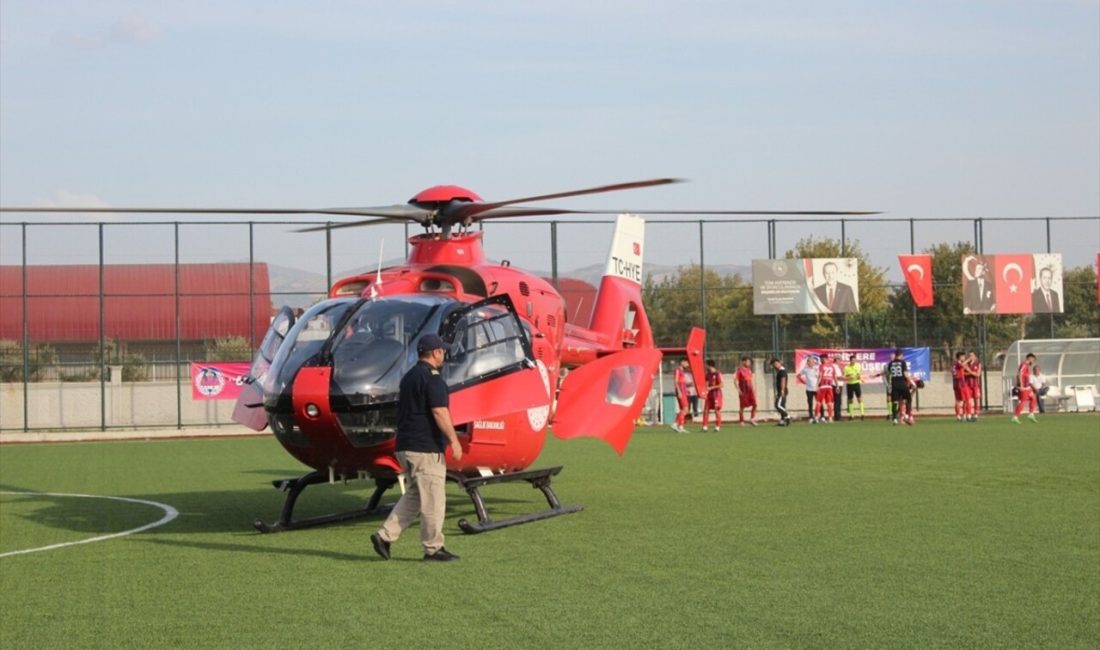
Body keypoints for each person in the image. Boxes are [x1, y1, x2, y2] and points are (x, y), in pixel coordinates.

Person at [371, 334, 463, 562]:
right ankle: (433, 548)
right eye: (443, 351)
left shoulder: (409, 377)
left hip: (405, 447)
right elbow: (439, 411)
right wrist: (454, 440)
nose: (445, 355)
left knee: (415, 495)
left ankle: (384, 536)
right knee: (433, 499)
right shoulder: (434, 379)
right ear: (436, 353)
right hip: (426, 448)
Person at [884, 349, 913, 425]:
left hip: (894, 385)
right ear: (900, 355)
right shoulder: (903, 362)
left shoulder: (890, 364)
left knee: (895, 402)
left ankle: (894, 419)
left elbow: (888, 373)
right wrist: (911, 382)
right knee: (908, 398)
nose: (903, 357)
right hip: (902, 384)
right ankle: (906, 415)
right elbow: (905, 374)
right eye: (902, 355)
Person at [1011, 353, 1039, 423]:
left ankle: (1031, 414)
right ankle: (1015, 416)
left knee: (1033, 398)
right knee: (1023, 401)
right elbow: (1020, 374)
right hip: (1024, 387)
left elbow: (1025, 376)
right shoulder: (1024, 364)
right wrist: (1021, 386)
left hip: (1027, 387)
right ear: (1030, 358)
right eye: (1033, 360)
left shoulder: (1026, 366)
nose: (1033, 362)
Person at [816, 354, 840, 423]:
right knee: (829, 403)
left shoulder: (822, 366)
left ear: (825, 358)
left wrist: (816, 385)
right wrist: (837, 386)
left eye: (822, 358)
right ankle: (830, 418)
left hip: (823, 386)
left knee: (819, 402)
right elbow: (834, 377)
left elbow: (820, 376)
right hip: (829, 387)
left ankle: (817, 417)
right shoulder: (832, 366)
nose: (821, 360)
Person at [796, 355, 820, 423]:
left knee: (818, 403)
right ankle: (811, 417)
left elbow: (819, 377)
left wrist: (818, 385)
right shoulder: (805, 369)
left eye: (812, 361)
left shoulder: (816, 369)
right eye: (809, 361)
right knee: (810, 403)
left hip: (816, 388)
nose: (811, 362)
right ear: (807, 362)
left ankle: (821, 416)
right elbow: (798, 375)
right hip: (809, 389)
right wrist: (803, 381)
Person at [734, 356, 757, 426]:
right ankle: (741, 421)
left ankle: (752, 419)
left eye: (749, 362)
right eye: (748, 361)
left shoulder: (749, 370)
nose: (749, 363)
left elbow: (750, 381)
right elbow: (735, 381)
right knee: (742, 406)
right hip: (743, 390)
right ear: (743, 362)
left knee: (755, 404)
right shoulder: (739, 370)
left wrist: (753, 389)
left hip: (750, 390)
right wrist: (738, 390)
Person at [701, 359, 723, 432]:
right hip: (709, 394)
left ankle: (717, 426)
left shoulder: (717, 373)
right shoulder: (708, 374)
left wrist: (711, 387)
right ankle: (705, 426)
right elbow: (706, 383)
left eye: (706, 365)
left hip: (717, 394)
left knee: (717, 410)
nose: (705, 366)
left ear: (709, 365)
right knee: (706, 410)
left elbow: (721, 385)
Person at [842, 354, 865, 421]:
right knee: (850, 400)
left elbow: (859, 374)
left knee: (859, 398)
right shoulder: (846, 367)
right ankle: (851, 415)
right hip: (849, 384)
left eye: (855, 360)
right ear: (850, 361)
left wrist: (859, 377)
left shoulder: (858, 366)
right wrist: (849, 377)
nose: (854, 361)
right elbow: (844, 377)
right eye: (852, 360)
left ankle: (862, 414)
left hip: (856, 383)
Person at [951, 351, 973, 422]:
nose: (964, 358)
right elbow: (962, 365)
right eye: (963, 356)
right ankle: (968, 416)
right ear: (959, 357)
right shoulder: (958, 362)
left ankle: (958, 416)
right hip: (961, 383)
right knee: (967, 399)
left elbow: (960, 370)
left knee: (958, 400)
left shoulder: (953, 364)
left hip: (955, 383)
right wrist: (969, 359)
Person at [671, 358, 691, 433]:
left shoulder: (682, 371)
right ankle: (675, 423)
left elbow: (681, 382)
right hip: (681, 392)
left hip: (684, 391)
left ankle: (681, 426)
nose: (688, 365)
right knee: (685, 409)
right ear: (682, 362)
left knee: (683, 409)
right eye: (687, 363)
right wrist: (679, 392)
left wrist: (688, 386)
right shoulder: (677, 370)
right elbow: (675, 381)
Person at [771, 358, 791, 426]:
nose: (775, 365)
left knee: (778, 405)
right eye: (774, 364)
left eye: (776, 364)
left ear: (780, 363)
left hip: (782, 391)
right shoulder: (779, 371)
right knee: (782, 405)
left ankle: (787, 416)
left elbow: (783, 380)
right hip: (781, 390)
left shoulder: (782, 371)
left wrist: (782, 390)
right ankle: (782, 421)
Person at [965, 351, 983, 420]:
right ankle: (969, 414)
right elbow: (963, 373)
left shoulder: (978, 364)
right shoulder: (967, 364)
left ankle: (976, 414)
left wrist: (969, 371)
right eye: (969, 355)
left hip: (975, 384)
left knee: (976, 399)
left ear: (975, 356)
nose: (970, 357)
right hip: (967, 384)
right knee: (968, 400)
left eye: (972, 355)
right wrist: (972, 373)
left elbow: (978, 374)